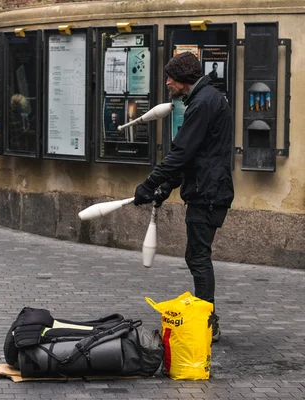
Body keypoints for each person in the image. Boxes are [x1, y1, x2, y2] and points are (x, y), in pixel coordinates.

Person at [132, 52, 234, 342]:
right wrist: (167, 187)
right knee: (198, 256)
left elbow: (182, 152)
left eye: (171, 79)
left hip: (208, 193)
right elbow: (194, 154)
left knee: (198, 257)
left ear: (184, 80)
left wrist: (150, 183)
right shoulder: (208, 98)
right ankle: (207, 319)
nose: (167, 83)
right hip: (209, 188)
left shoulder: (202, 103)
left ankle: (207, 322)